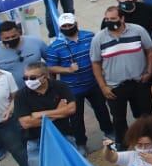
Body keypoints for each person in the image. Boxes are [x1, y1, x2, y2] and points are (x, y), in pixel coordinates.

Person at [46, 13, 113, 153]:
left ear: (76, 23)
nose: (67, 27)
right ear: (59, 28)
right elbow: (50, 67)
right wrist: (67, 70)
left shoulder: (89, 36)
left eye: (70, 25)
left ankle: (109, 132)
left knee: (102, 110)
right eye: (64, 26)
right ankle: (81, 143)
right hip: (72, 89)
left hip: (93, 83)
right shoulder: (55, 46)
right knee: (76, 118)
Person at [90, 5, 152, 142]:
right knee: (119, 119)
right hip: (115, 87)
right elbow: (96, 63)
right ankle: (123, 145)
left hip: (139, 82)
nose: (109, 21)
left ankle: (150, 140)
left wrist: (149, 71)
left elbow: (150, 50)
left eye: (113, 18)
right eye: (107, 19)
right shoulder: (98, 38)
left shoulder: (138, 31)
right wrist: (103, 87)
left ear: (122, 18)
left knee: (146, 115)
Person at [14, 59, 74, 166]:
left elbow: (71, 109)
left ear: (45, 76)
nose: (28, 80)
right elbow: (25, 123)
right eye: (25, 77)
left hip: (62, 134)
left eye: (33, 77)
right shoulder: (21, 95)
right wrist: (59, 112)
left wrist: (40, 114)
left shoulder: (60, 86)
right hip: (36, 140)